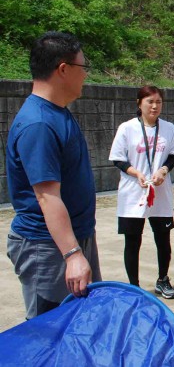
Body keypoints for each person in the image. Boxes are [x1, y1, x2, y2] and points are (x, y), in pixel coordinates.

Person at [6, 31, 101, 319]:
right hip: (48, 248)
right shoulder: (39, 124)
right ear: (63, 69)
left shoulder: (56, 112)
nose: (85, 75)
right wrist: (72, 254)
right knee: (49, 330)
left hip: (73, 237)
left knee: (78, 324)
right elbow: (47, 197)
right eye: (83, 67)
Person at [109, 86, 174, 299]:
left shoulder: (168, 128)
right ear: (139, 103)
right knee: (132, 241)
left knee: (163, 239)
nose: (155, 106)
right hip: (133, 193)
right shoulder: (127, 128)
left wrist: (163, 170)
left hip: (160, 192)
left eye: (158, 102)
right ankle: (135, 287)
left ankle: (163, 279)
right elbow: (118, 158)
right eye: (150, 101)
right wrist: (136, 173)